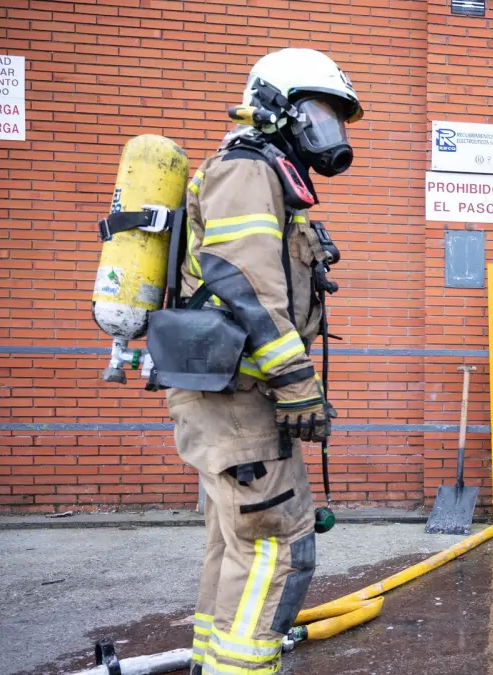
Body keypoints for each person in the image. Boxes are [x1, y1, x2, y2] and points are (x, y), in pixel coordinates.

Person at [164, 48, 363, 675]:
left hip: (238, 397)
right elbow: (244, 285)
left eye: (336, 120)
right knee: (277, 542)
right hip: (241, 399)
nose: (330, 132)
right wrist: (297, 383)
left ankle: (212, 660)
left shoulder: (265, 176)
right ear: (279, 108)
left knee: (237, 542)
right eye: (321, 114)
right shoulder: (248, 170)